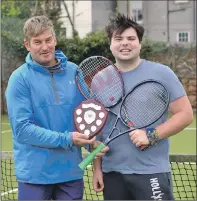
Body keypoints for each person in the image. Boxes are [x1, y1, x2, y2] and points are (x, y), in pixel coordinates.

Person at [5, 15, 108, 200]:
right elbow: (22, 130)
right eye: (37, 42)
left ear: (55, 39)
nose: (45, 47)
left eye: (48, 40)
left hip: (71, 175)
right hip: (34, 176)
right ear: (27, 45)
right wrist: (68, 138)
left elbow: (88, 117)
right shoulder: (19, 79)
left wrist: (92, 144)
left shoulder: (75, 71)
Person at [92, 13, 193, 200]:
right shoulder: (100, 80)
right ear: (110, 43)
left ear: (140, 43)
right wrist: (97, 169)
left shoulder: (162, 74)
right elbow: (97, 128)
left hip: (151, 171)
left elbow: (185, 114)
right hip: (112, 172)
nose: (125, 43)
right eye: (119, 38)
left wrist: (151, 135)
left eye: (131, 38)